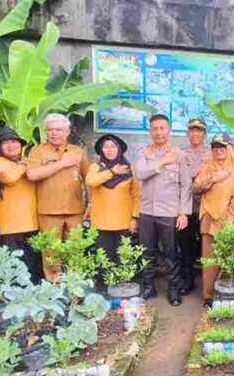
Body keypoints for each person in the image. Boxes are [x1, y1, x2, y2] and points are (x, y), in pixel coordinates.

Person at [134, 114, 192, 306]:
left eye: (162, 128)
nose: (159, 132)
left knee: (171, 254)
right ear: (150, 131)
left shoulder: (180, 155)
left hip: (170, 212)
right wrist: (163, 162)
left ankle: (174, 290)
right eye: (155, 129)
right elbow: (141, 173)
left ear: (169, 131)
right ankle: (149, 287)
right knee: (146, 252)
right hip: (147, 211)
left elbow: (186, 186)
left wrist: (183, 212)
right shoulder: (144, 152)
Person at [26, 113, 90, 280]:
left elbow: (90, 178)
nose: (54, 133)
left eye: (58, 129)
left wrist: (92, 204)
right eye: (50, 130)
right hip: (48, 211)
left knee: (75, 250)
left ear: (67, 131)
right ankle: (54, 288)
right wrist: (62, 163)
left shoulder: (77, 152)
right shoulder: (38, 151)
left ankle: (74, 287)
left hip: (75, 210)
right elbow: (32, 174)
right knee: (51, 253)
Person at [194, 134, 234, 307]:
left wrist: (230, 220)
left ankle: (228, 293)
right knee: (209, 259)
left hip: (228, 220)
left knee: (228, 259)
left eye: (222, 147)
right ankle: (209, 296)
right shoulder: (207, 166)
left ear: (230, 148)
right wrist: (213, 178)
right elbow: (196, 187)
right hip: (209, 217)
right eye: (215, 147)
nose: (219, 151)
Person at [85, 134, 140, 282]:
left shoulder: (129, 170)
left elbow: (136, 195)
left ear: (119, 149)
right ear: (101, 151)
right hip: (102, 223)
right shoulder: (95, 167)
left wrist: (135, 218)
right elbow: (91, 182)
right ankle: (105, 290)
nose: (110, 150)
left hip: (123, 222)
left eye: (113, 146)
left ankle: (122, 289)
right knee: (104, 258)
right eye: (106, 147)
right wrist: (112, 172)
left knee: (122, 257)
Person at [0, 126, 41, 281]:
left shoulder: (25, 162)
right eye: (5, 143)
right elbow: (9, 179)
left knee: (32, 263)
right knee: (15, 265)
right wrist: (24, 166)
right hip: (11, 224)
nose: (11, 146)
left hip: (33, 221)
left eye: (14, 142)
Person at [178, 118, 210, 295]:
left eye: (199, 130)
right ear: (187, 133)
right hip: (187, 207)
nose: (195, 134)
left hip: (207, 207)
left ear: (204, 134)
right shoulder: (181, 154)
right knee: (186, 245)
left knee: (207, 246)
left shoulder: (211, 154)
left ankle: (209, 281)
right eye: (192, 130)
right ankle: (187, 280)